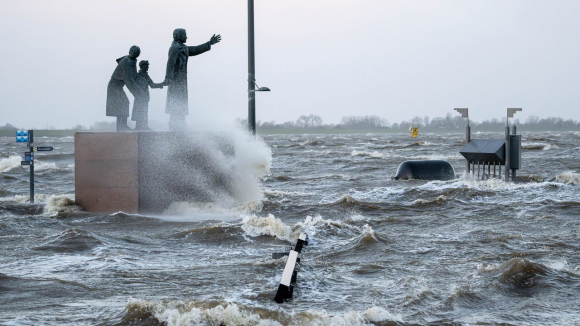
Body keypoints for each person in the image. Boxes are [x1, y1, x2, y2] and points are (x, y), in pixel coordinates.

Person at [164, 28, 221, 131]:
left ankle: (181, 123)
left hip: (182, 81)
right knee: (176, 101)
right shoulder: (174, 48)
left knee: (181, 101)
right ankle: (174, 124)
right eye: (184, 35)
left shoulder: (183, 48)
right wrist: (168, 78)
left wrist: (209, 43)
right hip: (175, 80)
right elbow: (170, 64)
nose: (186, 37)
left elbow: (196, 50)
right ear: (178, 35)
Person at [106, 45, 140, 131]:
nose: (135, 54)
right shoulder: (126, 61)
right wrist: (136, 93)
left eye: (137, 53)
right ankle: (122, 126)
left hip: (118, 86)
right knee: (124, 103)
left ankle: (120, 127)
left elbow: (134, 77)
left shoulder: (132, 61)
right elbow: (128, 80)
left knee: (122, 103)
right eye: (133, 52)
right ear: (130, 51)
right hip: (114, 86)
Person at [132, 60, 165, 130]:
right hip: (139, 97)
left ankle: (145, 126)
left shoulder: (146, 76)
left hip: (145, 97)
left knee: (145, 112)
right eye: (147, 66)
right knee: (139, 111)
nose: (148, 67)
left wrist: (161, 85)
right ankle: (138, 127)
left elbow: (152, 85)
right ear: (143, 66)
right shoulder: (137, 75)